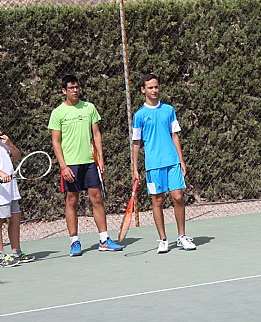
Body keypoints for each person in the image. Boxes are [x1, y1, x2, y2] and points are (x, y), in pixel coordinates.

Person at [48, 74, 123, 257]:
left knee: (97, 198)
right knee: (72, 201)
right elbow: (56, 142)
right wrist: (64, 166)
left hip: (90, 162)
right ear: (63, 91)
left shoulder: (89, 108)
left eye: (77, 87)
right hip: (71, 164)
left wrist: (101, 158)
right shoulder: (58, 113)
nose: (75, 90)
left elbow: (96, 134)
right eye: (71, 88)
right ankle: (74, 241)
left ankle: (104, 239)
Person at [132, 73, 195, 253]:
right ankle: (163, 239)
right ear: (143, 90)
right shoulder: (139, 116)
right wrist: (135, 168)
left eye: (156, 87)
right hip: (153, 165)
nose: (154, 90)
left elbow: (175, 135)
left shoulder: (169, 110)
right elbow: (136, 143)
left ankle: (182, 236)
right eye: (150, 87)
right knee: (157, 201)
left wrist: (181, 160)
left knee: (178, 197)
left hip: (172, 162)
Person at [0, 129, 36, 267]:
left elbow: (16, 156)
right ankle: (1, 255)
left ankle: (17, 252)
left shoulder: (4, 142)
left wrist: (10, 144)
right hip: (1, 190)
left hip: (11, 188)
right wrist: (1, 173)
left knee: (15, 217)